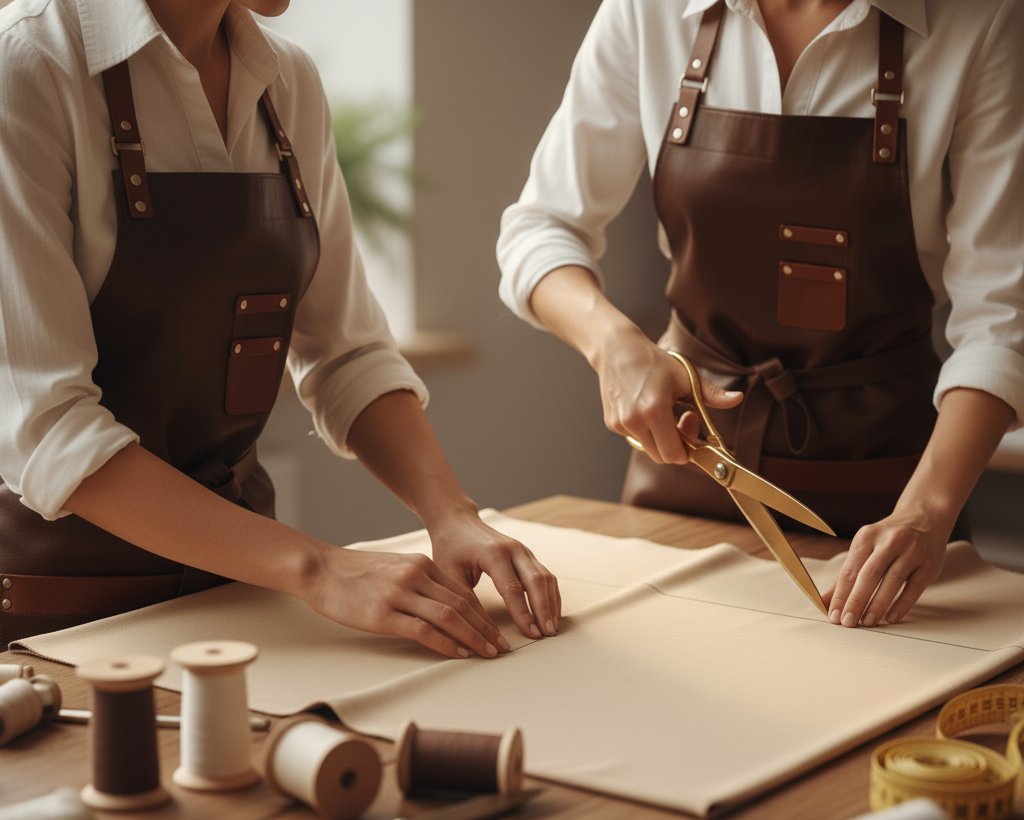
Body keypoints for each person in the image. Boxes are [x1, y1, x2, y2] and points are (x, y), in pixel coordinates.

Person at [0, 0, 560, 653]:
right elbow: (49, 427)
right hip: (64, 615)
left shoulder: (287, 80)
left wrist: (453, 514)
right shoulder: (27, 65)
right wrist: (318, 568)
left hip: (238, 593)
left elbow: (347, 354)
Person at [498, 0, 1022, 628]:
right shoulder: (648, 9)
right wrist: (612, 344)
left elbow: (1001, 317)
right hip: (689, 459)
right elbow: (541, 228)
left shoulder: (984, 19)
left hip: (892, 493)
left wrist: (927, 511)